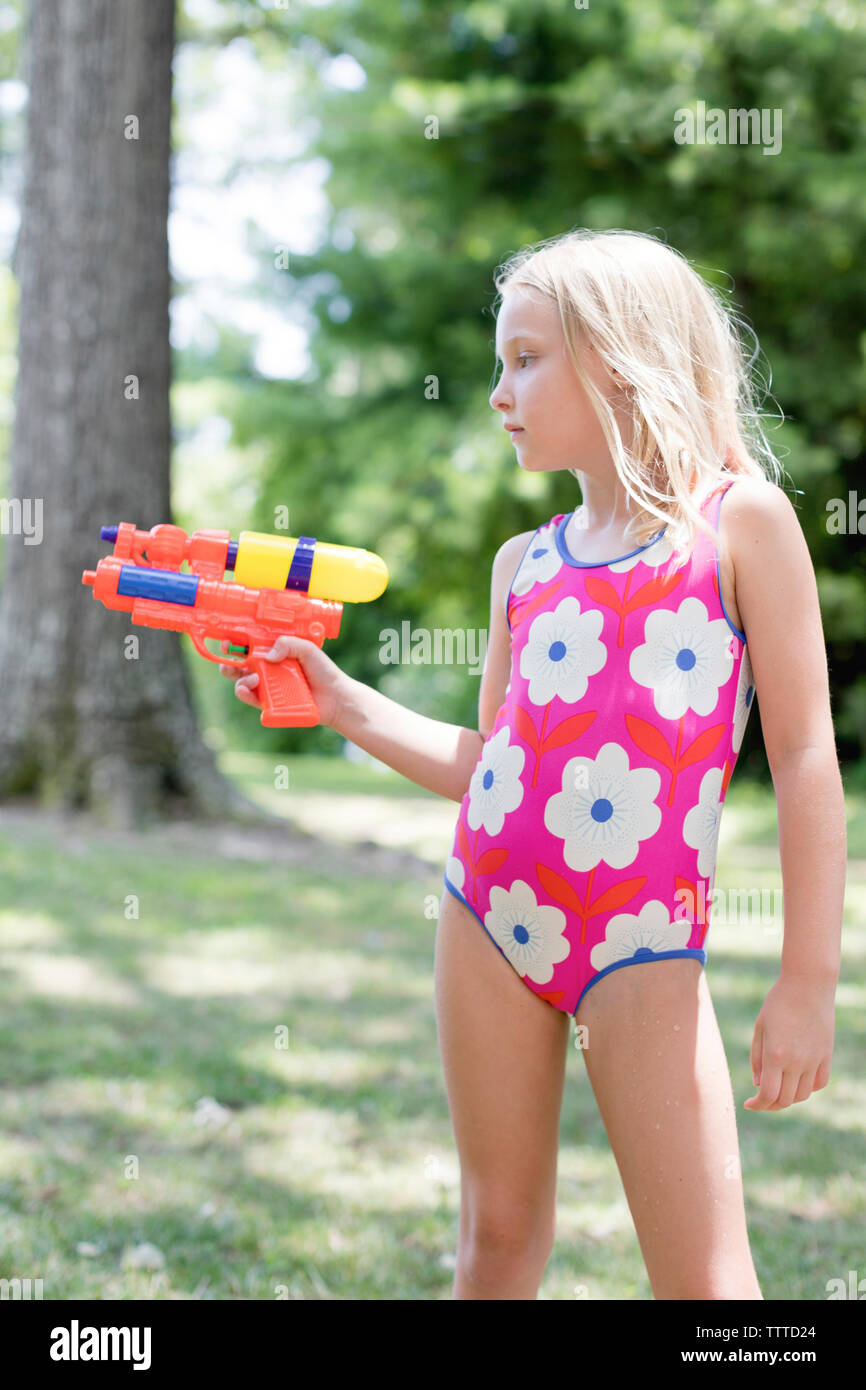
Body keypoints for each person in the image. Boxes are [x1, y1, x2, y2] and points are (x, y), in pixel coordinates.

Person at [220, 229, 844, 1301]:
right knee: (496, 1241)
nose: (498, 389)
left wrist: (805, 982)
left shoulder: (736, 525)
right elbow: (491, 764)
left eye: (523, 358)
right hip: (486, 914)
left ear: (615, 356)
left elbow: (802, 756)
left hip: (639, 942)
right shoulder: (527, 563)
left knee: (702, 1280)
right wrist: (341, 701)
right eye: (498, 362)